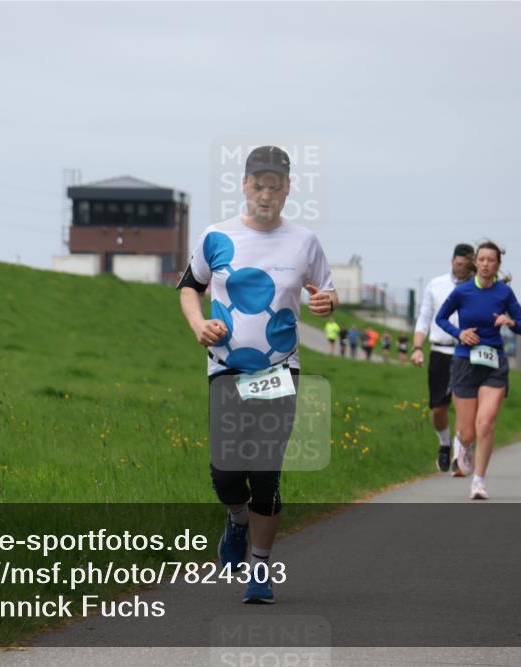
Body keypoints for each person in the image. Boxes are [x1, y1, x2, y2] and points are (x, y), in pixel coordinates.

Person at [177, 145, 338, 602]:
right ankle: (237, 519)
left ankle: (261, 569)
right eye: (258, 184)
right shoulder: (216, 236)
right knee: (227, 475)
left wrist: (328, 303)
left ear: (287, 189)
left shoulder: (304, 241)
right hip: (226, 368)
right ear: (244, 185)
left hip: (279, 370)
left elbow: (325, 294)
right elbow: (191, 288)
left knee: (266, 471)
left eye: (275, 185)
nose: (266, 193)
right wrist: (197, 323)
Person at [435, 240, 521, 499]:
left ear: (498, 264)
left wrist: (509, 321)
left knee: (485, 424)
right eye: (482, 259)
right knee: (467, 432)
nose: (486, 264)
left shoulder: (504, 294)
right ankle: (461, 445)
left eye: (492, 260)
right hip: (465, 362)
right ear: (476, 262)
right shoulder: (463, 292)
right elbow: (441, 318)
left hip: (494, 363)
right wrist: (459, 333)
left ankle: (478, 481)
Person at [411, 243, 475, 472]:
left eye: (465, 265)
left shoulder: (477, 287)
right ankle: (445, 444)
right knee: (438, 409)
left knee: (462, 404)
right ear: (452, 261)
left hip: (466, 353)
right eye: (457, 263)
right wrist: (417, 347)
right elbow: (424, 318)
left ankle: (460, 453)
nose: (460, 267)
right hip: (439, 351)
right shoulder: (436, 285)